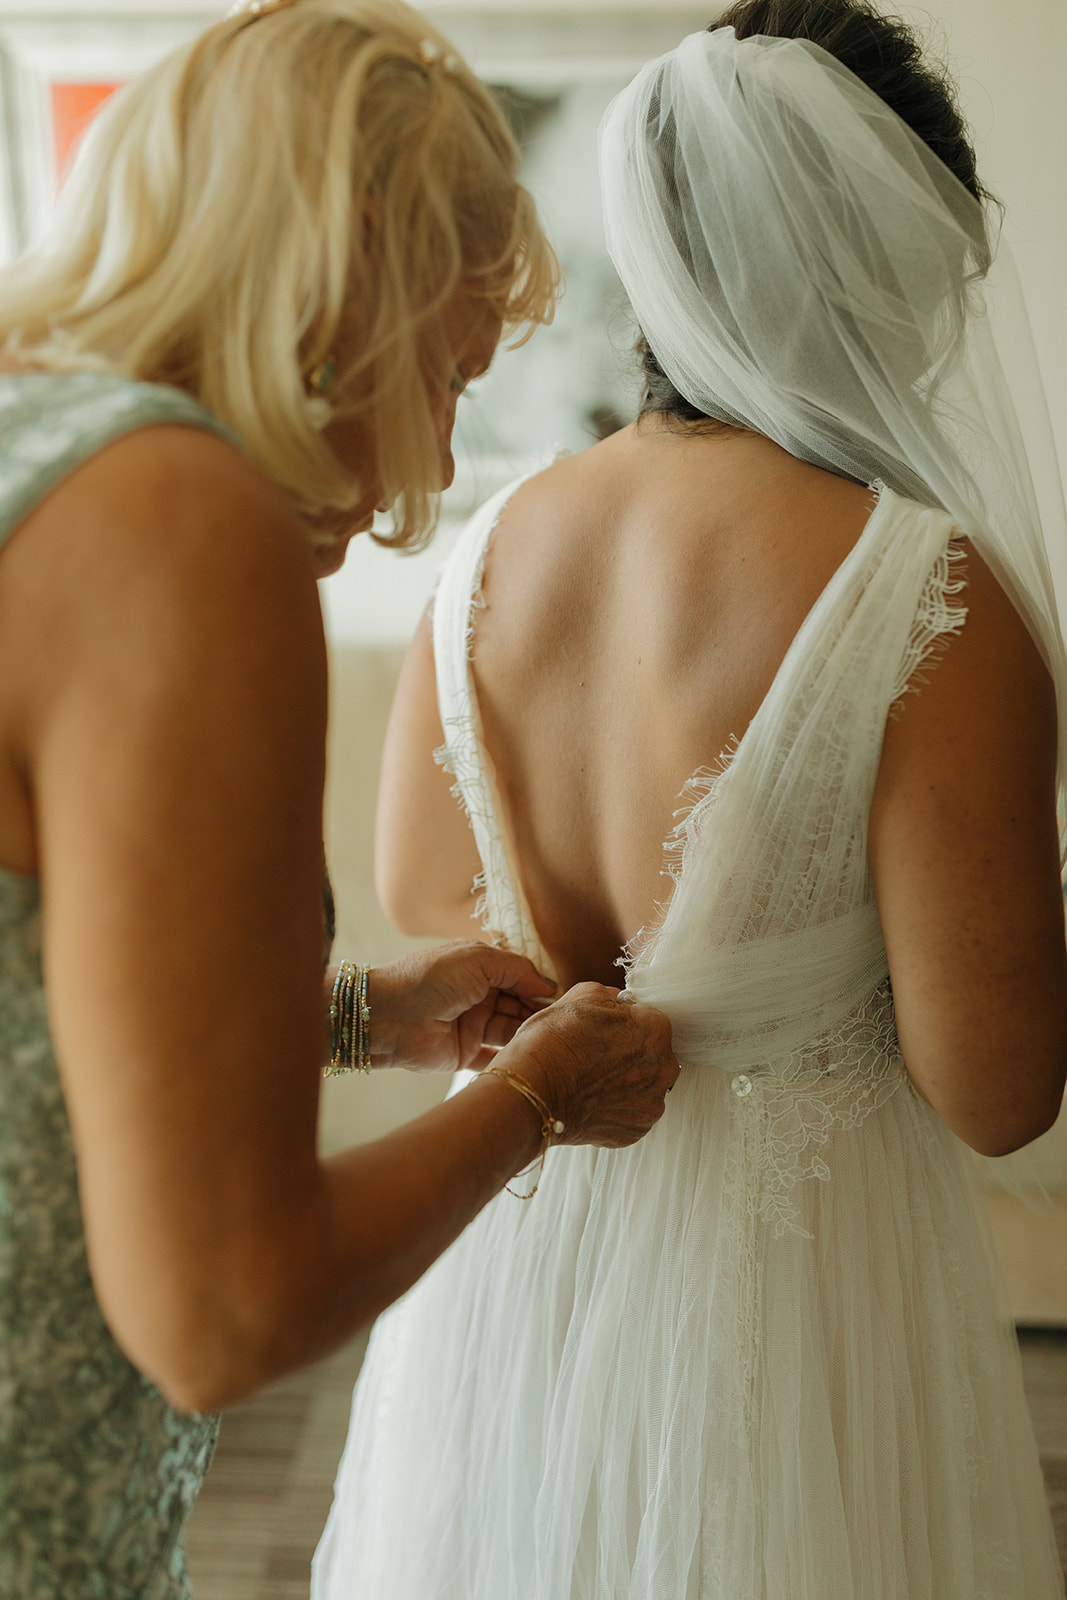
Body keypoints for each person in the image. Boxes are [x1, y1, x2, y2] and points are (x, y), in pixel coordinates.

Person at [313, 2, 1067, 1596]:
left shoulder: (492, 549)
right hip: (799, 1316)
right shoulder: (928, 594)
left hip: (511, 1257)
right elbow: (998, 1086)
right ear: (877, 260)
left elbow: (425, 900)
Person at [0, 0, 680, 1594]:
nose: (434, 462)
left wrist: (372, 1013)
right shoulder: (174, 518)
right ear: (351, 259)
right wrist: (536, 1101)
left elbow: (44, 994)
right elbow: (225, 1311)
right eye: (447, 373)